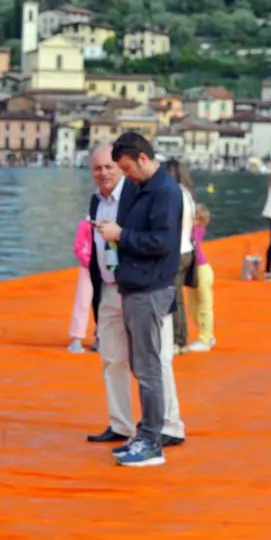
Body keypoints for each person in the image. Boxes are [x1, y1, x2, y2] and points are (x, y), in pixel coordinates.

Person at [85, 143, 186, 450]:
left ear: (123, 168)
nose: (103, 174)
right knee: (113, 358)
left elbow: (162, 240)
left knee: (157, 360)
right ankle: (121, 423)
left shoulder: (144, 193)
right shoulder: (95, 201)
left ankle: (168, 425)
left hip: (144, 287)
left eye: (110, 168)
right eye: (97, 169)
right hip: (109, 286)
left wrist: (120, 235)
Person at [164, 159, 196, 353]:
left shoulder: (173, 195)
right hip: (187, 250)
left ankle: (177, 340)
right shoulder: (188, 194)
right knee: (178, 298)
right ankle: (180, 338)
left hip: (176, 252)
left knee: (172, 298)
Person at [186, 204, 216, 351]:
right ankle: (207, 334)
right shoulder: (192, 230)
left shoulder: (196, 231)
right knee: (193, 306)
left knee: (204, 304)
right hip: (194, 270)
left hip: (202, 269)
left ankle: (205, 338)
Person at [67, 217, 94, 354]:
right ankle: (76, 338)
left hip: (106, 268)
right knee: (82, 303)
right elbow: (78, 248)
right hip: (88, 268)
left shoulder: (110, 223)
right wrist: (89, 263)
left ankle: (102, 338)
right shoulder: (84, 225)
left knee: (105, 304)